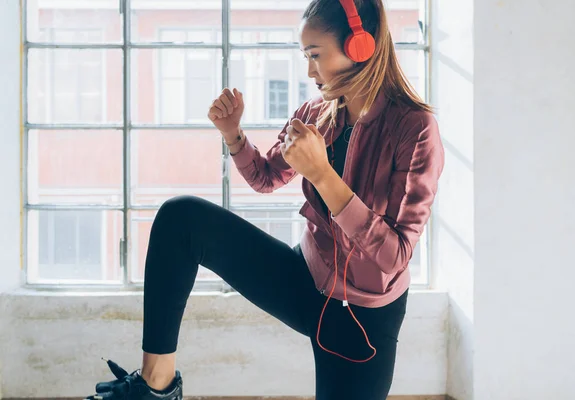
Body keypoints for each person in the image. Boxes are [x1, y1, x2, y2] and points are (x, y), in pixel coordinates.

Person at [85, 0, 444, 399]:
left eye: (315, 55)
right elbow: (266, 177)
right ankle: (156, 386)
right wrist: (233, 134)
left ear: (360, 47)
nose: (309, 70)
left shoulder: (415, 128)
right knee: (180, 218)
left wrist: (323, 175)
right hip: (305, 279)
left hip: (362, 318)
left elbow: (394, 255)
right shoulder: (317, 113)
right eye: (304, 56)